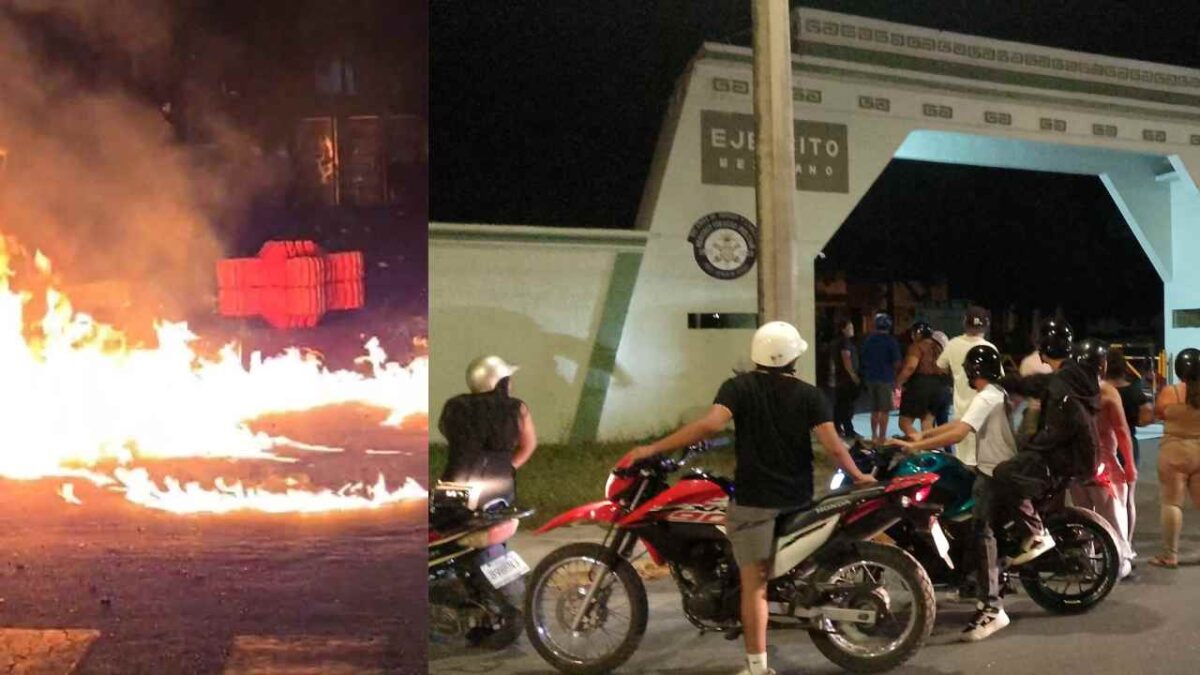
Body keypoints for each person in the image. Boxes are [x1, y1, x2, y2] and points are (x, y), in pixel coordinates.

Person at [624, 321, 875, 675]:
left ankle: (757, 668)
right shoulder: (810, 395)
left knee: (753, 586)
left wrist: (653, 446)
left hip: (755, 501)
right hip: (798, 498)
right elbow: (834, 447)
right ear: (792, 357)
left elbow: (710, 425)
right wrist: (860, 476)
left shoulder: (738, 388)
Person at [887, 345, 1025, 641]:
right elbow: (957, 425)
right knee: (963, 519)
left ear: (972, 372)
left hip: (994, 473)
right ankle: (971, 583)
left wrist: (916, 446)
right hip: (993, 469)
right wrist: (923, 436)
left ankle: (992, 607)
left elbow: (960, 432)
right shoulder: (993, 394)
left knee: (981, 532)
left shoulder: (987, 396)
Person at [437, 354, 539, 628]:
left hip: (457, 492)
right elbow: (529, 445)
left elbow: (453, 441)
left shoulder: (455, 408)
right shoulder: (517, 409)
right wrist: (508, 467)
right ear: (499, 381)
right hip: (500, 493)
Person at [994, 321, 1103, 564]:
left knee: (1004, 472)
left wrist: (1030, 445)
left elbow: (1058, 431)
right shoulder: (1074, 376)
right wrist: (1007, 383)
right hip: (1082, 453)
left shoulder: (1061, 386)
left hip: (1069, 456)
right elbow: (1037, 384)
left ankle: (1035, 534)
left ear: (1043, 354)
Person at [1069, 344, 1137, 579]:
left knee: (1083, 516)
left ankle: (1088, 564)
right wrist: (1130, 464)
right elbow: (1121, 430)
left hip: (1076, 465)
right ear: (1102, 365)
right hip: (1105, 464)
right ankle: (1121, 561)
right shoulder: (1107, 392)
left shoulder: (1069, 390)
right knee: (1114, 515)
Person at [1148, 348, 1200, 569]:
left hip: (1174, 452)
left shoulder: (1171, 392)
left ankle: (1170, 555)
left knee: (1172, 503)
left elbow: (1157, 413)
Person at [936, 306, 999, 468]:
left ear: (965, 323)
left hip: (961, 409)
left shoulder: (953, 344)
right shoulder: (990, 349)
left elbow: (940, 366)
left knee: (964, 458)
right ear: (986, 325)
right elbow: (999, 379)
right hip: (985, 411)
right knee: (983, 460)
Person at [1106, 348, 1152, 555]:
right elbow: (1146, 417)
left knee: (1105, 499)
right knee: (1127, 499)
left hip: (1105, 443)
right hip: (1129, 444)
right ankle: (1127, 544)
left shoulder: (1101, 390)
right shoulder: (1134, 389)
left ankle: (1105, 542)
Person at [895, 321, 949, 440]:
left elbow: (910, 367)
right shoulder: (938, 347)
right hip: (940, 385)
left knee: (904, 423)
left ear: (916, 334)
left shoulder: (917, 346)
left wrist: (898, 383)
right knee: (927, 423)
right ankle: (933, 450)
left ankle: (921, 445)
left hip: (921, 385)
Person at [859, 312, 902, 443]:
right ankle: (882, 437)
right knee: (884, 410)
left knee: (874, 409)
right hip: (886, 378)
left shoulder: (869, 340)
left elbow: (863, 359)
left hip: (871, 378)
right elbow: (897, 362)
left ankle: (873, 435)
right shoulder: (891, 341)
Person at [831, 319, 862, 439]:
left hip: (840, 378)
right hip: (846, 380)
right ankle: (849, 430)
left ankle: (837, 427)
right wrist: (853, 375)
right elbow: (846, 358)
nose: (852, 330)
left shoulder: (837, 342)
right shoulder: (845, 342)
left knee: (840, 404)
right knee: (846, 406)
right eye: (850, 328)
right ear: (843, 329)